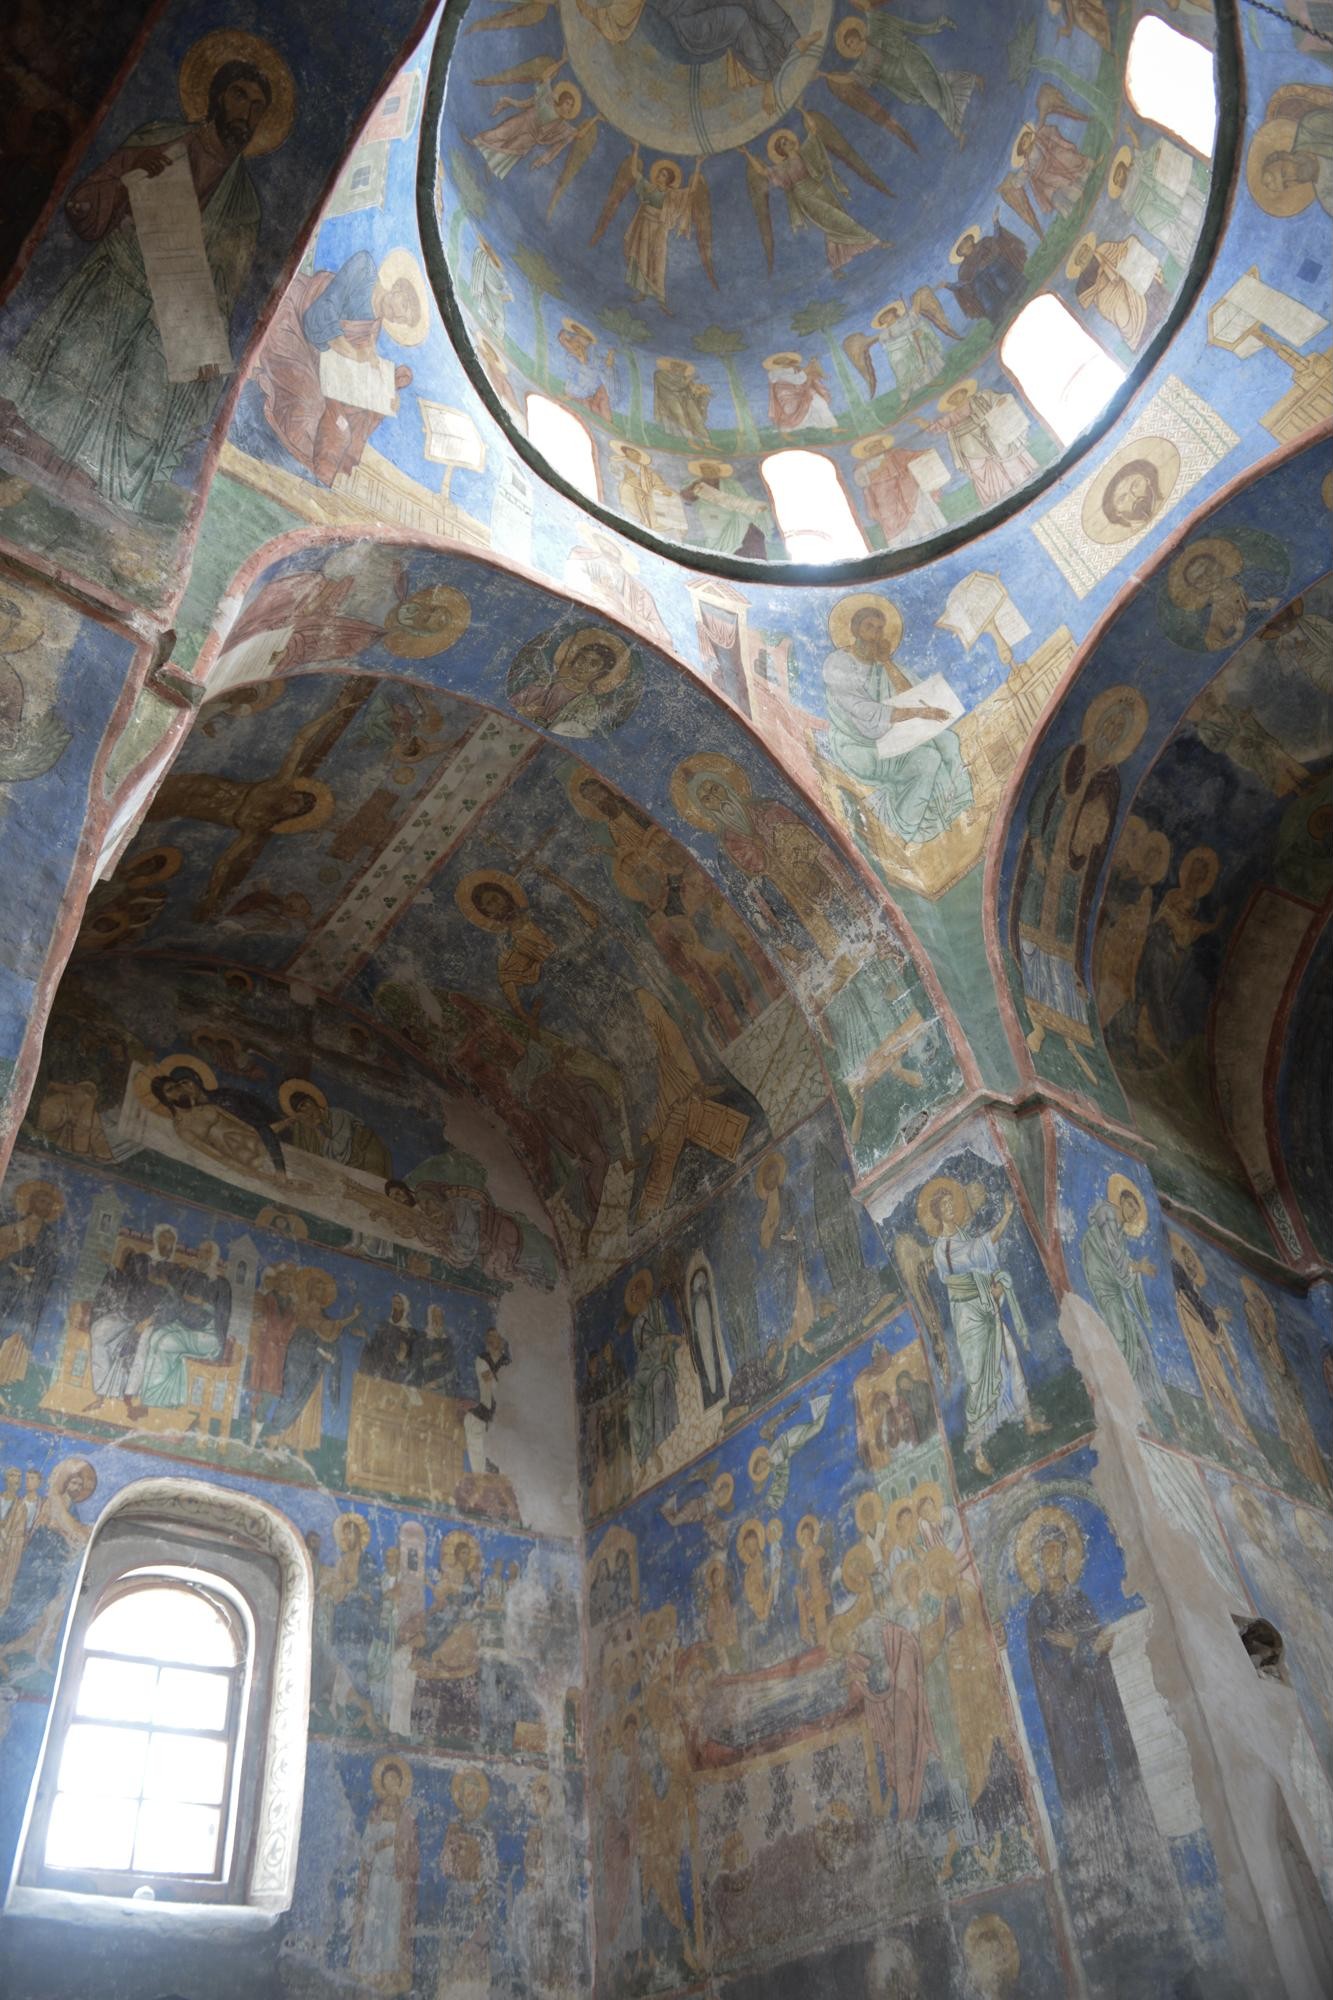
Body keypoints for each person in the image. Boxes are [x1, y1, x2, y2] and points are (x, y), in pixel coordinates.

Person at [0, 50, 280, 510]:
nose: (246, 113)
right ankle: (19, 478)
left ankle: (80, 506)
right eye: (239, 96)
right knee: (64, 383)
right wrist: (128, 177)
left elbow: (227, 288)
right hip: (113, 284)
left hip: (167, 322)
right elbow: (87, 202)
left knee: (132, 420)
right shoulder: (160, 140)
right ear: (216, 95)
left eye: (257, 107)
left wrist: (204, 341)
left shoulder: (245, 202)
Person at [256, 247, 421, 485]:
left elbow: (354, 372)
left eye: (402, 320)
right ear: (397, 288)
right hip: (294, 320)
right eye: (403, 306)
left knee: (340, 425)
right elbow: (320, 314)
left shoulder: (373, 328)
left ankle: (310, 482)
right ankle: (281, 473)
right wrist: (353, 353)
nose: (396, 316)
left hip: (318, 361)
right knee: (309, 409)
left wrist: (384, 396)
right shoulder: (364, 268)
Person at [918, 1179, 1047, 1477]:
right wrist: (1006, 1216)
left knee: (1011, 1358)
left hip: (987, 1307)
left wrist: (994, 1285)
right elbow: (980, 1252)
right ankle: (977, 1450)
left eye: (951, 1203)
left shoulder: (962, 1235)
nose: (951, 1208)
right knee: (978, 1380)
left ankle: (1028, 1419)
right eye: (945, 1206)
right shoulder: (942, 1249)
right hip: (969, 1317)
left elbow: (982, 1262)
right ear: (937, 1214)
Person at [822, 598, 972, 843]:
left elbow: (909, 694)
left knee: (949, 740)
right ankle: (901, 830)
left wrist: (887, 662)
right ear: (855, 629)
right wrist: (918, 713)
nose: (875, 634)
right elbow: (866, 713)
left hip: (889, 736)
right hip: (858, 746)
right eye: (869, 627)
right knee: (927, 759)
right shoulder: (838, 663)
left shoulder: (881, 663)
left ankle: (958, 808)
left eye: (879, 628)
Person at [1080, 1179, 1170, 1421]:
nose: (1132, 1213)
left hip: (1113, 1289)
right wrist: (1136, 1267)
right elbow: (1113, 1256)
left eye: (1135, 1211)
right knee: (1119, 1336)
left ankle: (1132, 1396)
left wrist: (1136, 1268)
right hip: (1103, 1286)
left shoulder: (1119, 1233)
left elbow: (1120, 1262)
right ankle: (1116, 1394)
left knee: (1133, 1336)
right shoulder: (1107, 1216)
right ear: (1121, 1201)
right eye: (1130, 1206)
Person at [349, 1757, 419, 1995]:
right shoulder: (376, 1812)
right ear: (382, 1783)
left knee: (392, 1922)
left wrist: (403, 1852)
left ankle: (391, 1973)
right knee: (374, 1921)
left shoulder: (406, 1815)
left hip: (397, 1879)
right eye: (387, 1779)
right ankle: (370, 1970)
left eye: (395, 1780)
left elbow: (413, 1850)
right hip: (378, 1875)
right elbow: (366, 1845)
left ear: (400, 1783)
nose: (391, 1783)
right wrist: (383, 1843)